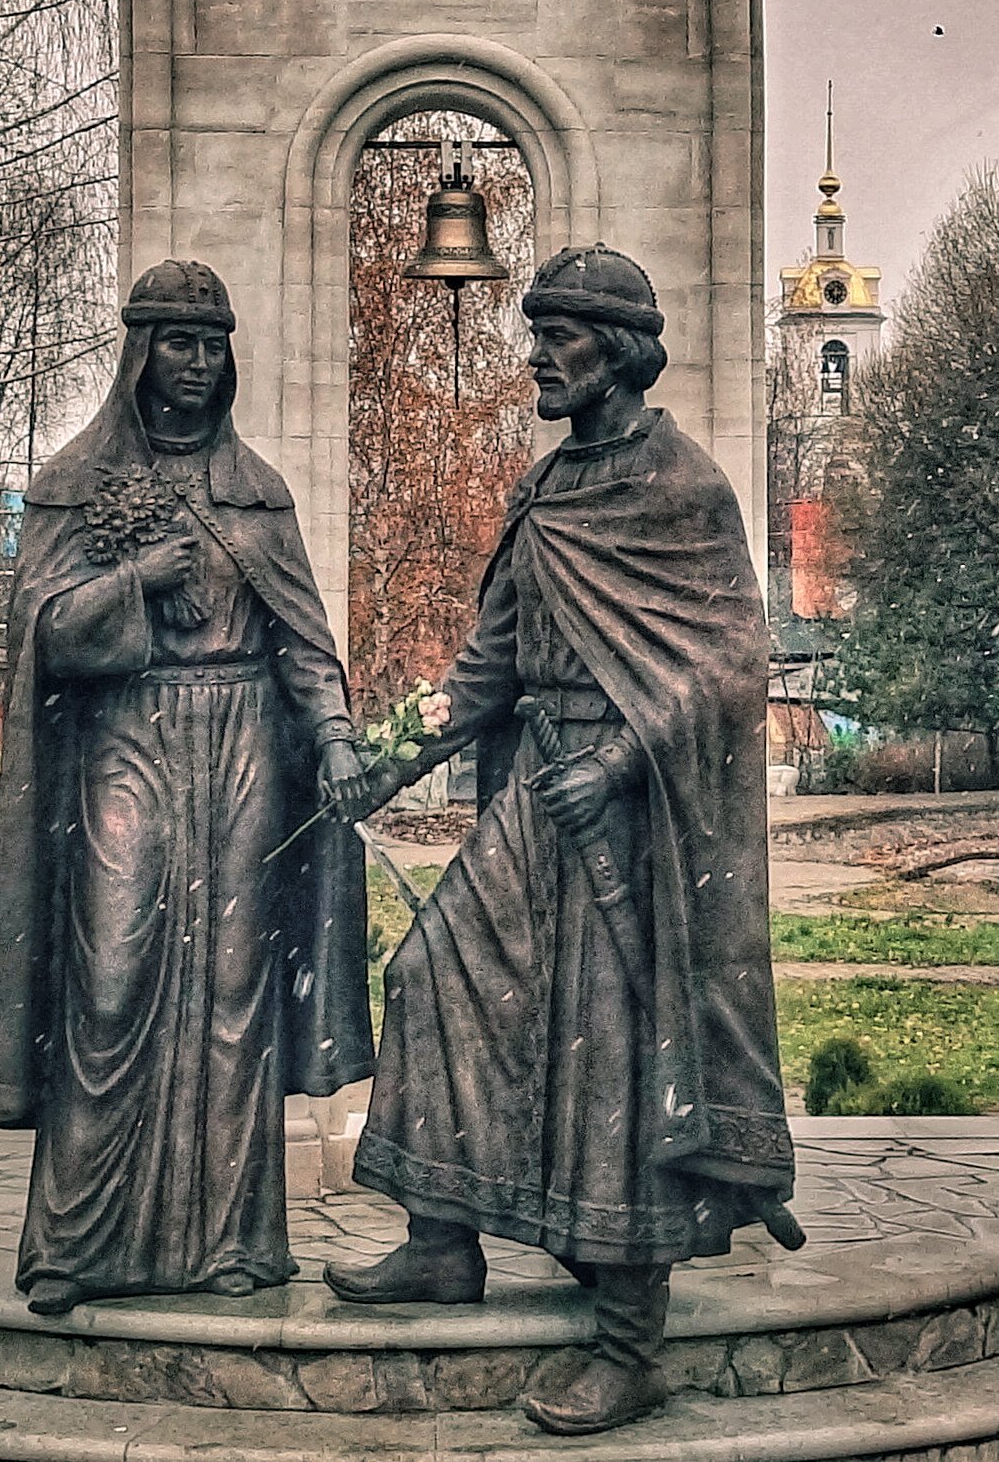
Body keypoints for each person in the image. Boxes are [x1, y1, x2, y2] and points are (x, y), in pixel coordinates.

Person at [331, 244, 798, 1435]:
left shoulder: (679, 484)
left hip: (636, 812)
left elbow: (729, 664)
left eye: (559, 333)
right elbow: (489, 665)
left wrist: (621, 757)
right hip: (541, 789)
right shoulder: (544, 490)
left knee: (618, 1053)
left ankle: (630, 1339)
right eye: (532, 331)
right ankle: (443, 1242)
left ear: (621, 348)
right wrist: (382, 754)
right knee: (431, 973)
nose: (534, 353)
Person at [0, 261, 377, 1312]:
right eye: (178, 342)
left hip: (243, 748)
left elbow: (303, 642)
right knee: (110, 979)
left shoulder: (257, 490)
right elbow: (46, 639)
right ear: (138, 353)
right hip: (126, 740)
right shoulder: (73, 483)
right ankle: (77, 1239)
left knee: (234, 992)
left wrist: (332, 740)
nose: (196, 363)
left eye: (212, 344)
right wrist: (134, 580)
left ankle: (232, 1242)